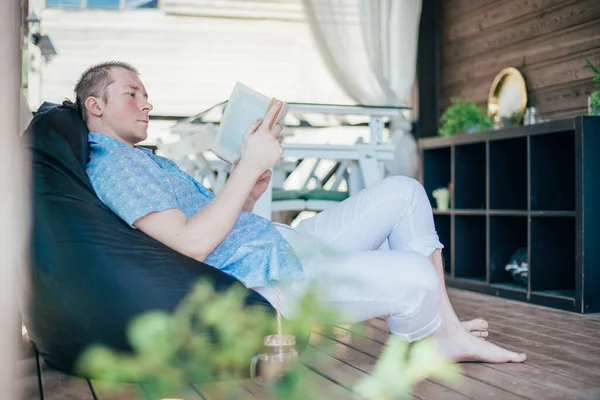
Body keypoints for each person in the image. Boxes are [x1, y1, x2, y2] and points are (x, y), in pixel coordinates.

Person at [74, 61, 526, 364]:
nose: (147, 104)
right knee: (416, 274)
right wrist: (248, 163)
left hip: (279, 244)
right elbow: (190, 245)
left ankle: (441, 330)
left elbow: (205, 225)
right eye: (133, 94)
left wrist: (246, 193)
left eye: (147, 94)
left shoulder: (145, 159)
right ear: (95, 105)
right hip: (273, 279)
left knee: (405, 192)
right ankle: (432, 335)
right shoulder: (115, 165)